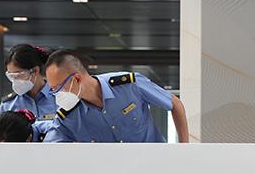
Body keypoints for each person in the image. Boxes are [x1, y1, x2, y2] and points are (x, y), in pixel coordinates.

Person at [42, 50, 189, 143]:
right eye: (53, 90)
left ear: (77, 79)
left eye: (59, 88)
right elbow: (50, 150)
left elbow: (175, 104)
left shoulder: (129, 85)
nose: (57, 95)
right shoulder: (68, 117)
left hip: (156, 166)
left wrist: (184, 149)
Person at [0, 44, 58, 138]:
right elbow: (1, 139)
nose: (15, 81)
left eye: (19, 75)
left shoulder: (60, 98)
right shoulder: (8, 105)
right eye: (11, 76)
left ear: (35, 71)